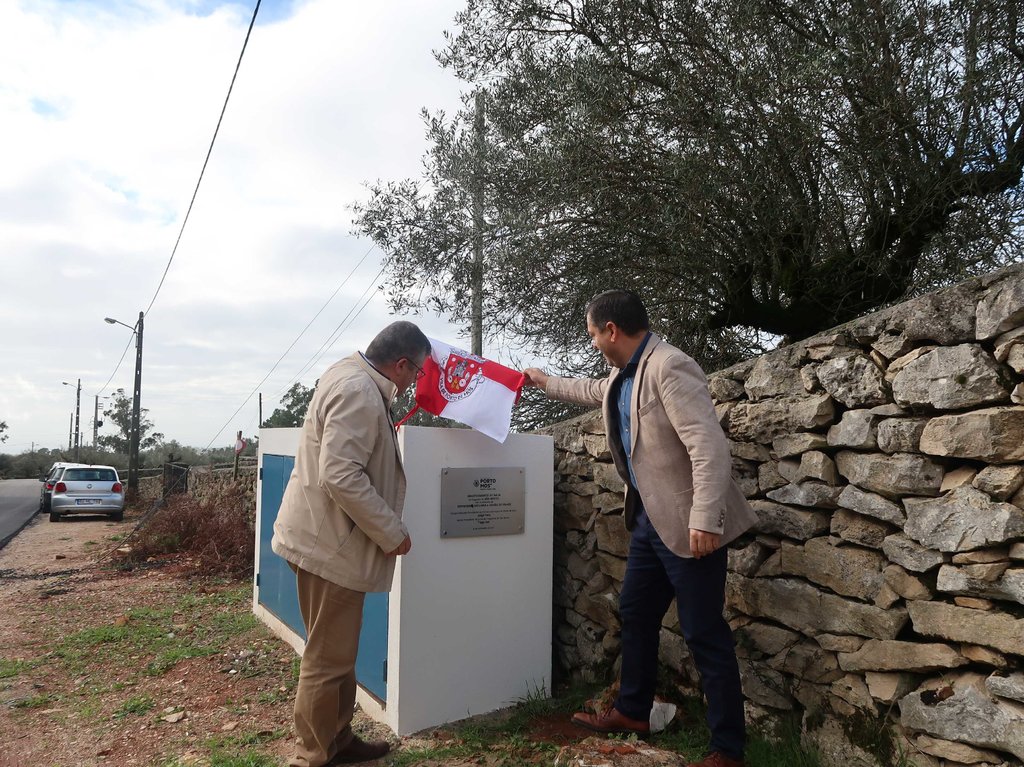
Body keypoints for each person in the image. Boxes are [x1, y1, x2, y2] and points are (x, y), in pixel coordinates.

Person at [523, 290, 757, 767]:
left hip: (690, 526)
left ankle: (728, 750)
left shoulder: (671, 366)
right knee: (635, 610)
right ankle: (633, 710)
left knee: (703, 632)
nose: (592, 343)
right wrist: (544, 381)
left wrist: (705, 518)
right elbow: (592, 391)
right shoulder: (621, 373)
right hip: (650, 520)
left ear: (611, 330)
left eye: (592, 334)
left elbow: (708, 447)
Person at [272, 320, 430, 767]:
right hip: (331, 548)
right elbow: (341, 474)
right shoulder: (361, 392)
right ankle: (312, 756)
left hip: (324, 541)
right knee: (327, 660)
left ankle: (337, 742)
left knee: (337, 653)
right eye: (415, 372)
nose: (415, 380)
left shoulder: (348, 374)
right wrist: (391, 531)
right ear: (400, 363)